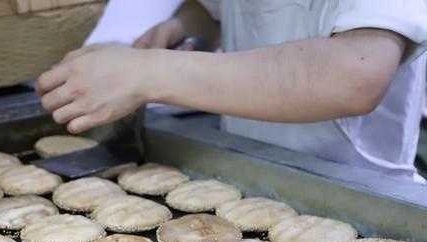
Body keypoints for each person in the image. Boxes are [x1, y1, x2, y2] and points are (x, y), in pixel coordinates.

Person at [36, 0, 427, 182]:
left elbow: (352, 76)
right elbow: (218, 9)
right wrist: (181, 28)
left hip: (357, 189)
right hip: (248, 170)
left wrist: (152, 71)